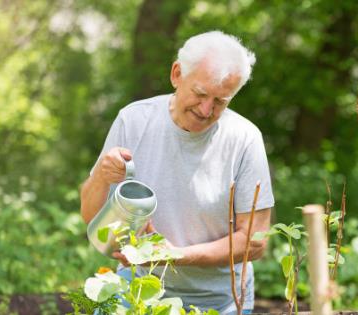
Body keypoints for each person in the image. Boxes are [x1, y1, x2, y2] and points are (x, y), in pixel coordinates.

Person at [80, 30, 274, 314]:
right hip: (136, 291)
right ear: (176, 74)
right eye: (200, 93)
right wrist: (100, 177)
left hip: (219, 302)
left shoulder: (244, 139)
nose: (206, 110)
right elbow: (91, 218)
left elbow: (255, 242)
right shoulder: (133, 120)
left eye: (221, 101)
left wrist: (177, 256)